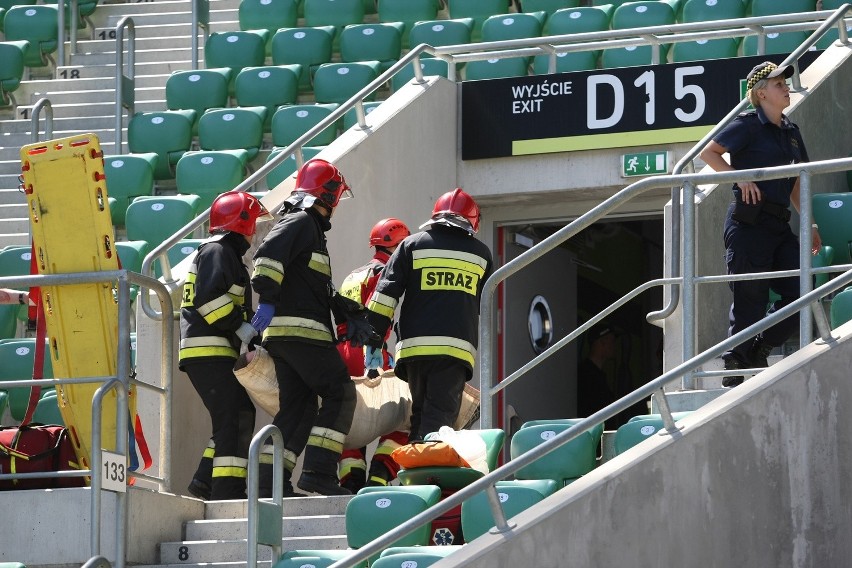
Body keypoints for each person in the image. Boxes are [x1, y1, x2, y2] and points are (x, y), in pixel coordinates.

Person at [250, 158, 371, 497]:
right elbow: (265, 260)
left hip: (289, 336)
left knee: (299, 409)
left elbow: (308, 283)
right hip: (301, 333)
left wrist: (342, 307)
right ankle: (319, 474)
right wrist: (269, 297)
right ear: (328, 195)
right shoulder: (301, 220)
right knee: (340, 392)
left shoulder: (309, 229)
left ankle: (268, 484)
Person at [699, 61, 821, 388]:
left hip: (780, 226)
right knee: (749, 299)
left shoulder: (791, 132)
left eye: (785, 83)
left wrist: (808, 221)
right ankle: (734, 367)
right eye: (778, 83)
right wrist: (739, 179)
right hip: (749, 224)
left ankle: (760, 347)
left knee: (802, 292)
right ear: (761, 92)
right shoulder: (748, 125)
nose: (785, 88)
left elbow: (798, 180)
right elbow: (709, 153)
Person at [365, 188, 493, 443]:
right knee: (440, 421)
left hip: (414, 352)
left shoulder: (410, 246)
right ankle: (427, 476)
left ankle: (415, 476)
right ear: (471, 221)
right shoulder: (481, 254)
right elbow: (482, 303)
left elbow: (384, 297)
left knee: (420, 416)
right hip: (454, 351)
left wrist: (374, 340)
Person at [179, 190, 272, 500]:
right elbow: (209, 300)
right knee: (233, 415)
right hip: (208, 351)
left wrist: (248, 329)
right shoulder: (217, 252)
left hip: (213, 350)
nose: (255, 230)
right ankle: (225, 491)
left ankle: (206, 482)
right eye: (254, 222)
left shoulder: (223, 254)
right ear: (241, 223)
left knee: (235, 415)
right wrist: (240, 326)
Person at [336, 217, 411, 492]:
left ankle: (351, 482)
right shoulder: (386, 271)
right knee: (404, 412)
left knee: (352, 420)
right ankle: (380, 473)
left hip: (341, 350)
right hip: (369, 350)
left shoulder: (355, 273)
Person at [576, 322, 619, 428]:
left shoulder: (597, 374)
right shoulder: (585, 376)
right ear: (602, 342)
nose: (615, 346)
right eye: (612, 341)